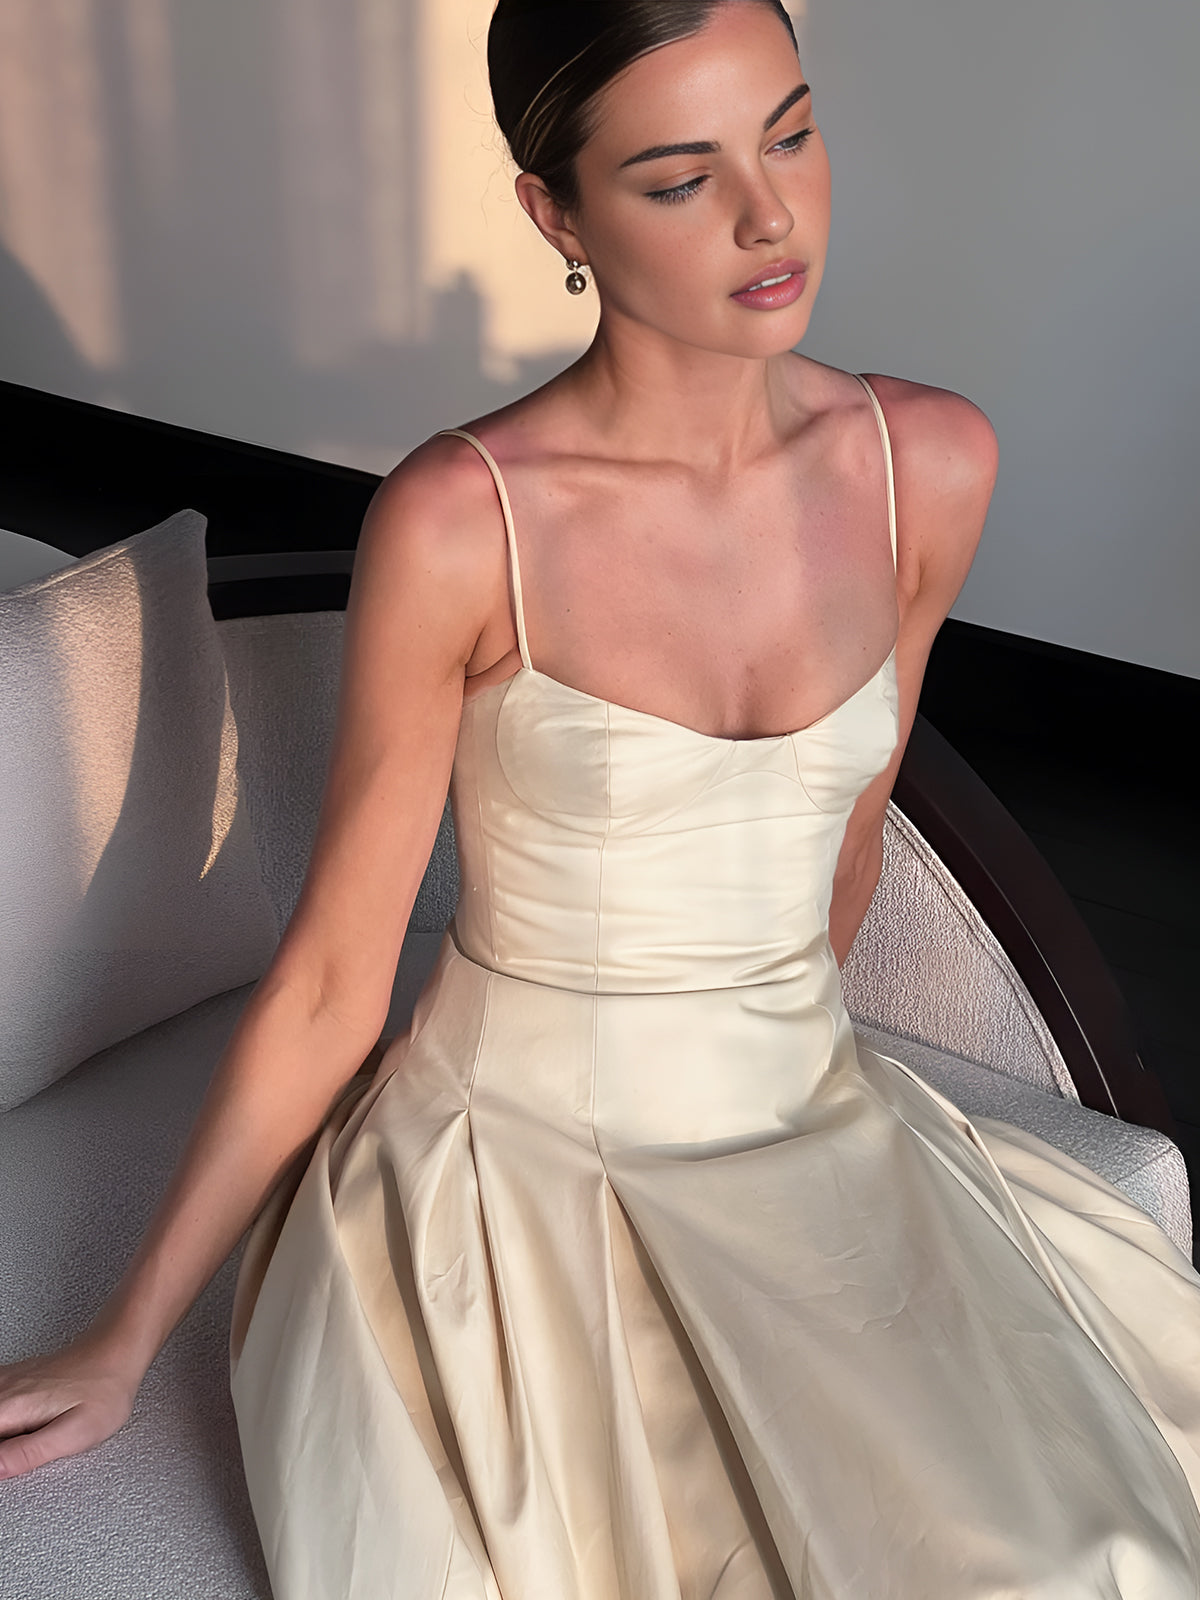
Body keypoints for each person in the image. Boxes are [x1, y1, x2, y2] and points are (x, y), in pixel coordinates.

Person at [5, 1, 1200, 1594]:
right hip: (516, 1159)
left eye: (790, 132)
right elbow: (334, 979)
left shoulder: (929, 463)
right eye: (678, 177)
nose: (770, 216)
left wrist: (802, 1141)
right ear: (556, 213)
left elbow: (846, 842)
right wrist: (123, 1334)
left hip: (804, 1111)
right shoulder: (461, 521)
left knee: (1077, 1550)